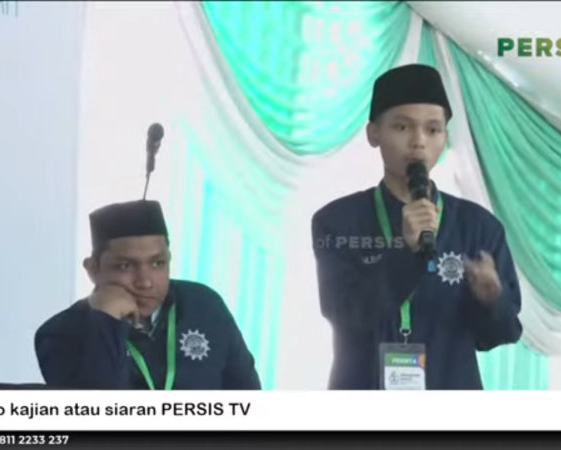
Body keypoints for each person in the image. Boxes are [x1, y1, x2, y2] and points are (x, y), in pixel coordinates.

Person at [311, 64, 522, 390]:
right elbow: (346, 315)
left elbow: (500, 335)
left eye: (433, 129)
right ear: (374, 133)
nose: (419, 142)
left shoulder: (479, 226)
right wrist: (405, 252)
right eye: (402, 126)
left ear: (445, 139)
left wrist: (492, 299)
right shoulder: (336, 221)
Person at [35, 200, 261, 390]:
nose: (145, 282)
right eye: (125, 266)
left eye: (157, 263)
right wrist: (106, 323)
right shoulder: (59, 334)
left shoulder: (204, 305)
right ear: (94, 269)